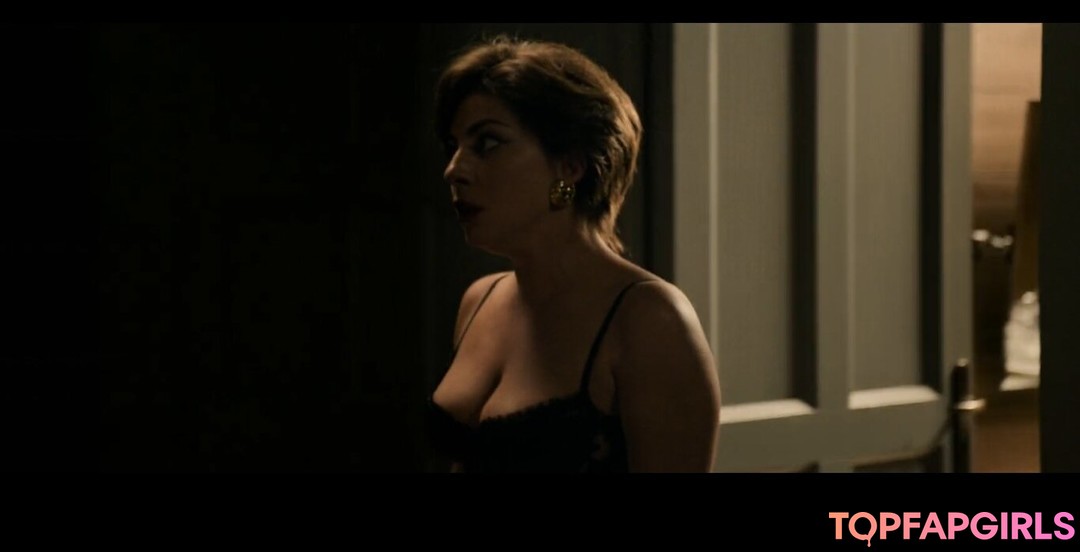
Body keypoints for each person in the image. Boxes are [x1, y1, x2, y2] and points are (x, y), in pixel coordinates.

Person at [426, 34, 721, 473]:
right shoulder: (479, 301)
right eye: (454, 147)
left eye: (487, 144)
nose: (455, 170)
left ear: (570, 165)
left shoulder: (650, 320)